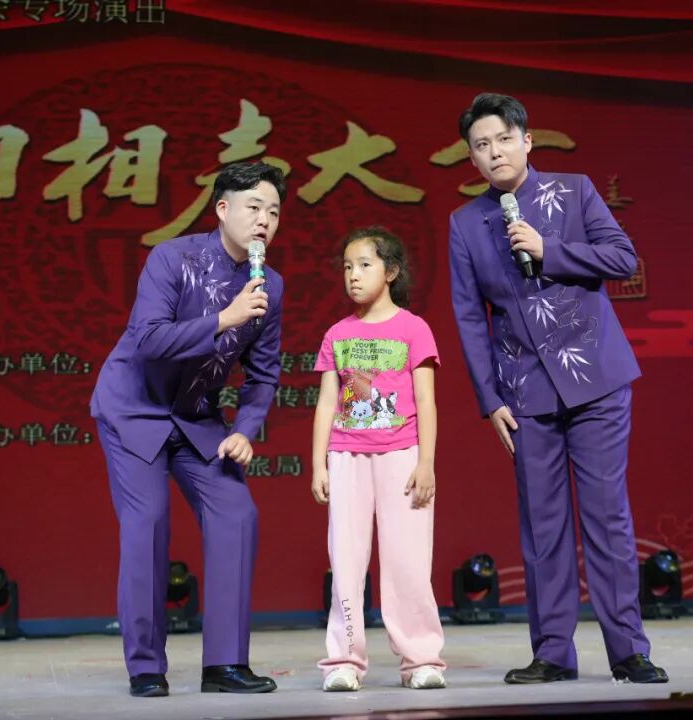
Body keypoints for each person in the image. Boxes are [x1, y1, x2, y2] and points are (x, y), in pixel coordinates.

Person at [448, 93, 668, 684]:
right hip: (525, 391)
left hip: (596, 378)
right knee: (543, 526)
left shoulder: (574, 191)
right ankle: (552, 653)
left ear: (526, 141)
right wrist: (489, 398)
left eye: (503, 139)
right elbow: (469, 316)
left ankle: (629, 650)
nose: (494, 152)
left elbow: (622, 258)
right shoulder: (466, 224)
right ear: (472, 158)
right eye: (481, 146)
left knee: (606, 516)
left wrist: (550, 251)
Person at [90, 161, 286, 696]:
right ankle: (146, 667)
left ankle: (225, 664)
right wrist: (226, 318)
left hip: (196, 417)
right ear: (222, 209)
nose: (264, 220)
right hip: (134, 410)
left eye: (273, 212)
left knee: (236, 514)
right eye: (253, 207)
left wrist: (245, 428)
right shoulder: (171, 258)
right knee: (148, 525)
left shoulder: (269, 285)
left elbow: (264, 372)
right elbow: (149, 339)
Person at [310, 226, 447, 692]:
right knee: (346, 563)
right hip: (347, 457)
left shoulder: (414, 328)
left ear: (390, 272)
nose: (353, 275)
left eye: (365, 265)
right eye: (348, 266)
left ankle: (421, 659)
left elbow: (426, 401)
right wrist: (319, 464)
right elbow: (327, 402)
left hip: (402, 456)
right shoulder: (337, 334)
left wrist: (426, 463)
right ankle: (344, 660)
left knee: (408, 561)